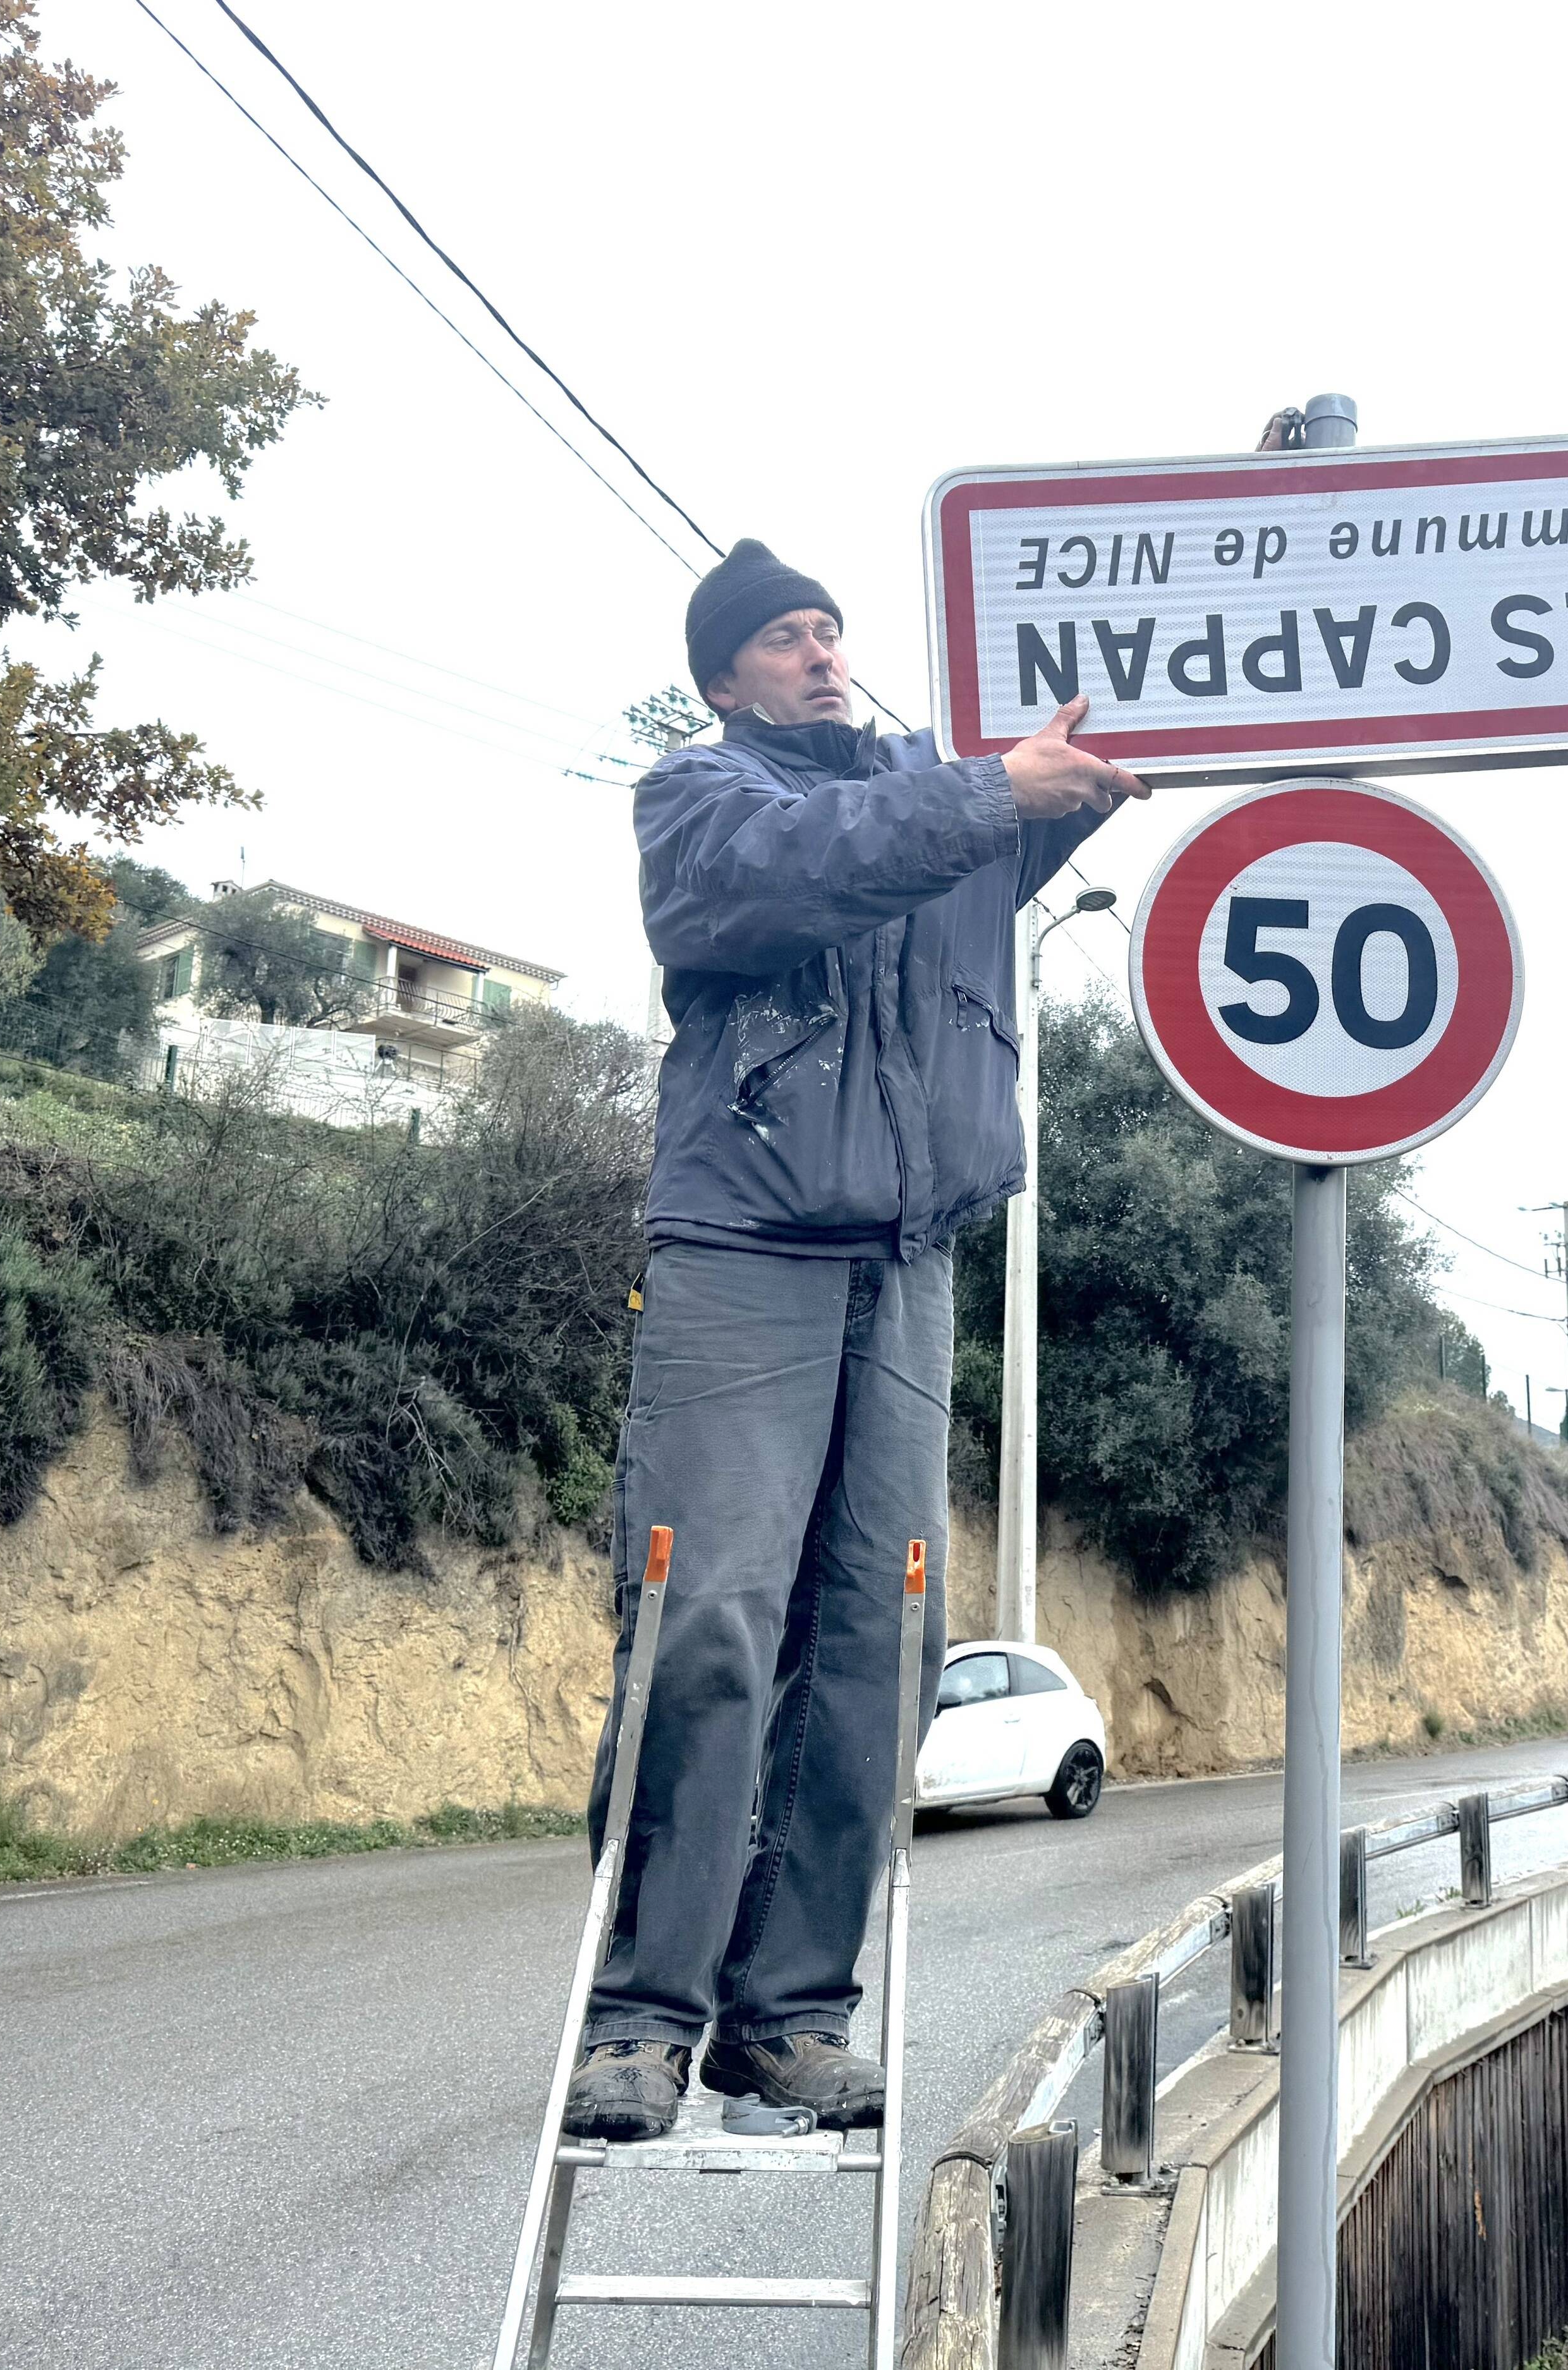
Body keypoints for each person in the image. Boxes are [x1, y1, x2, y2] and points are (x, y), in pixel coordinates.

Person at [564, 538, 1149, 2142]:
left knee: (882, 1651)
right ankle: (635, 2023)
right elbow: (795, 874)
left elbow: (1060, 770)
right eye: (783, 639)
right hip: (741, 1252)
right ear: (722, 679)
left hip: (911, 1266)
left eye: (830, 630)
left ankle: (790, 2022)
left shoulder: (933, 799)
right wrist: (990, 793)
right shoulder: (701, 801)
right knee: (706, 1624)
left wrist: (1236, 554)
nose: (822, 653)